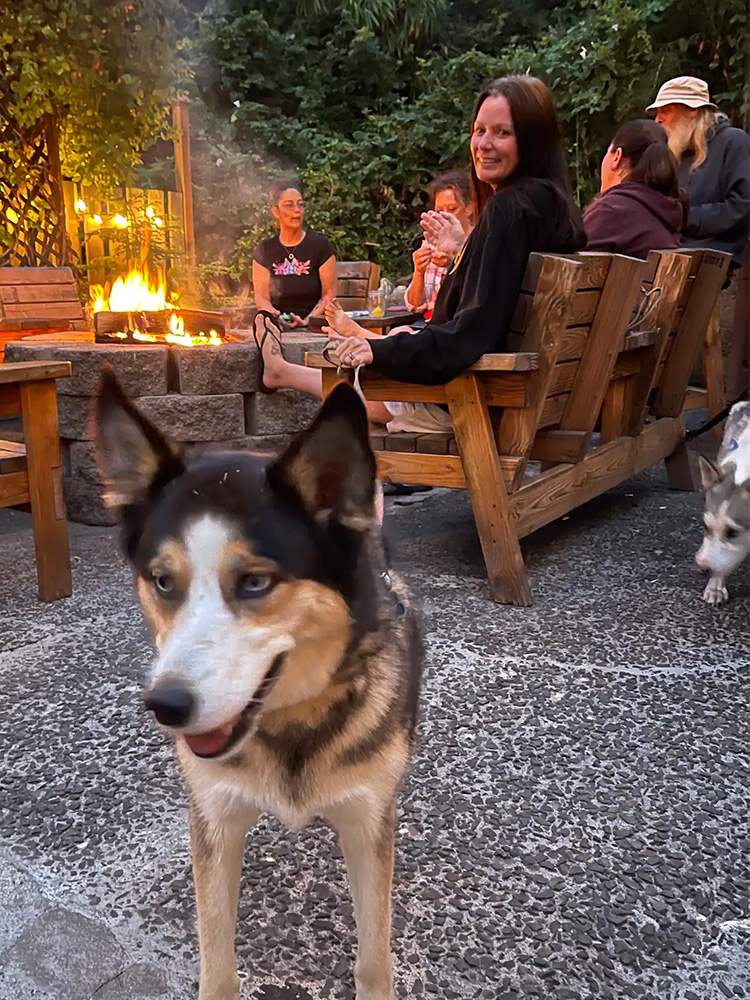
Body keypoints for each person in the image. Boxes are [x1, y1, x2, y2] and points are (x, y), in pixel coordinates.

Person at [254, 75, 585, 433]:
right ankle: (290, 369)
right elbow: (494, 297)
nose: (484, 145)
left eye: (502, 133)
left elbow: (468, 335)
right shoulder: (550, 202)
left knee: (351, 386)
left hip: (475, 395)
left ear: (531, 140)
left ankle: (282, 371)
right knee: (397, 345)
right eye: (479, 130)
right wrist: (465, 251)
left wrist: (379, 353)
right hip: (534, 389)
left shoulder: (510, 208)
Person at [647, 76, 750, 271]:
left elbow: (741, 206)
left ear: (693, 109)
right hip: (669, 253)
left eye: (665, 110)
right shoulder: (675, 151)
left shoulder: (733, 142)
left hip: (707, 259)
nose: (658, 119)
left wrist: (684, 218)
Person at [583, 119, 685, 259]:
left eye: (607, 152)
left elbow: (570, 270)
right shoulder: (668, 211)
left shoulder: (609, 211)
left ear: (616, 157)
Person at [252, 180, 337, 327]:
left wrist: (307, 321)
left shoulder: (321, 246)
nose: (297, 210)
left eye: (300, 204)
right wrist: (277, 318)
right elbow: (261, 298)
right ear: (276, 212)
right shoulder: (265, 250)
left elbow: (328, 295)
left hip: (315, 326)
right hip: (277, 326)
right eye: (289, 205)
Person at [405, 170, 474, 320]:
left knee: (397, 334)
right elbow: (415, 306)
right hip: (431, 325)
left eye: (452, 209)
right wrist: (419, 272)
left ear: (469, 208)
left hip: (457, 326)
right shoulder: (431, 243)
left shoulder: (478, 241)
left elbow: (472, 301)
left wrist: (454, 263)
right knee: (398, 333)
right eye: (439, 210)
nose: (444, 216)